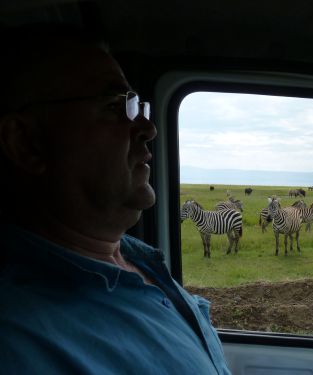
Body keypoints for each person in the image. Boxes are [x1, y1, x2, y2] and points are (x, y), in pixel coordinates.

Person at [0, 24, 231, 374]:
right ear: (26, 143)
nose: (148, 129)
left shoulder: (136, 258)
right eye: (113, 106)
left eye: (137, 106)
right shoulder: (18, 340)